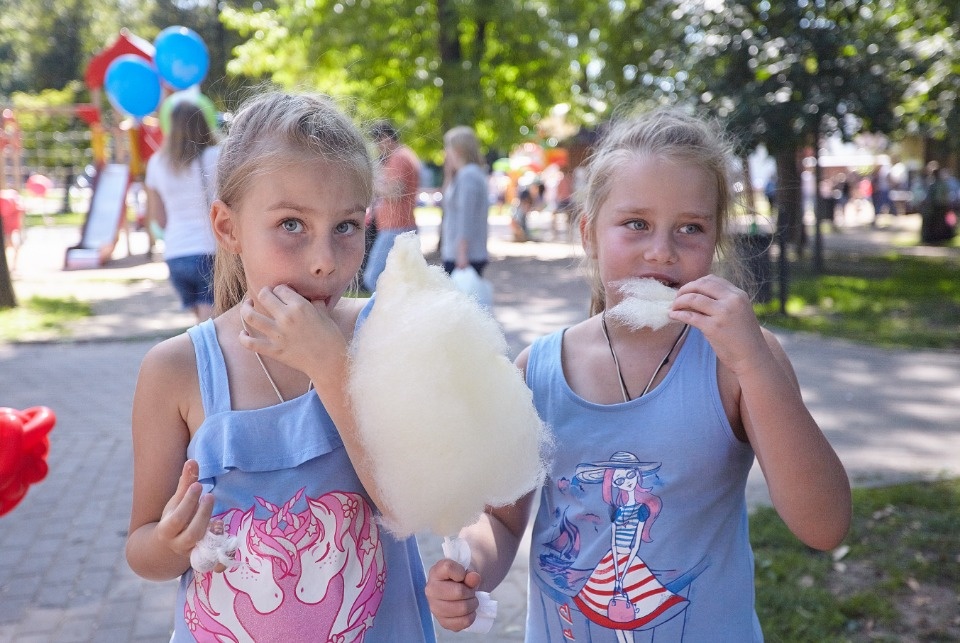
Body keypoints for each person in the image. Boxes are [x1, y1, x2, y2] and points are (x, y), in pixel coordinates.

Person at [425, 107, 851, 641]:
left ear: (716, 240)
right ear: (589, 234)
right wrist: (471, 571)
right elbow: (504, 518)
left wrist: (755, 366)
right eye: (636, 224)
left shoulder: (737, 364)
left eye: (689, 229)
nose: (660, 251)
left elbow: (825, 525)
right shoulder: (538, 372)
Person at [126, 92, 436, 642]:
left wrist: (331, 368)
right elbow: (142, 549)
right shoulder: (176, 369)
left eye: (345, 226)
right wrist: (171, 544)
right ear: (227, 227)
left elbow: (407, 507)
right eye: (292, 224)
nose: (324, 259)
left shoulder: (385, 332)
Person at [145, 100, 220, 322]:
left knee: (203, 322)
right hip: (211, 251)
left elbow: (159, 218)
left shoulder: (157, 163)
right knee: (212, 327)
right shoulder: (217, 155)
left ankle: (201, 355)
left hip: (176, 253)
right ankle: (203, 357)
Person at [362, 119, 420, 292]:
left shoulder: (399, 158)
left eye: (378, 142)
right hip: (397, 226)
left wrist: (371, 184)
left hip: (395, 227)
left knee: (372, 277)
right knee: (401, 277)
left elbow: (396, 192)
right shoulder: (404, 155)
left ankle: (384, 312)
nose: (378, 147)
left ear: (386, 138)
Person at [440, 126, 489, 276]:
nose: (445, 152)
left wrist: (462, 253)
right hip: (459, 253)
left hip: (465, 256)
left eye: (448, 147)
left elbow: (466, 216)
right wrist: (449, 173)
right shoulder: (462, 175)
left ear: (459, 149)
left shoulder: (468, 175)